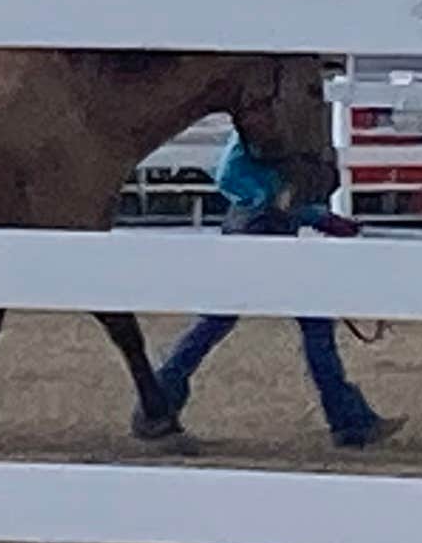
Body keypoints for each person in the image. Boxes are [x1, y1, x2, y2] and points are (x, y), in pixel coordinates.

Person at [156, 123, 396, 451]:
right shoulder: (256, 132)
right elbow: (236, 178)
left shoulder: (289, 132)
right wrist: (296, 209)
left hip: (261, 235)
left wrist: (315, 216)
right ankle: (349, 421)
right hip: (257, 234)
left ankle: (159, 399)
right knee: (305, 323)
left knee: (219, 322)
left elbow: (287, 195)